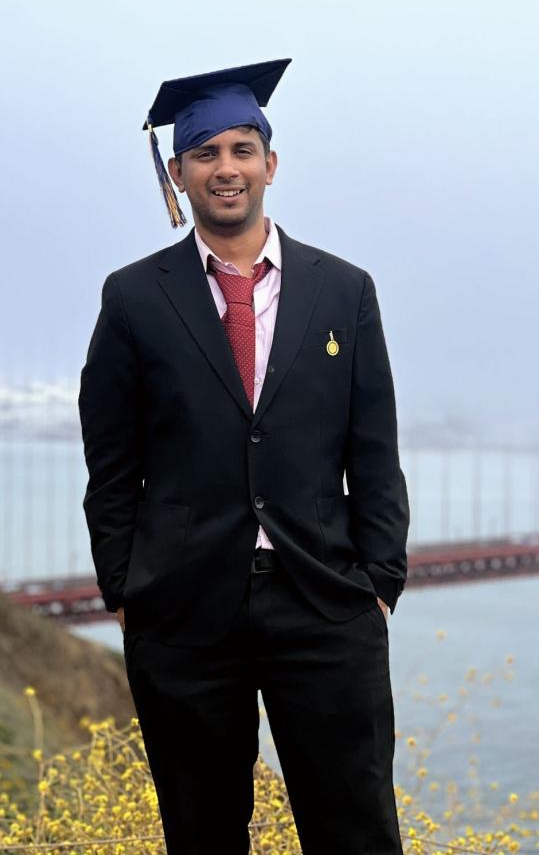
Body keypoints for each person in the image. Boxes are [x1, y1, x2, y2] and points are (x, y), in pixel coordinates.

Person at [78, 58, 410, 855]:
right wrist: (125, 585)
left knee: (358, 831)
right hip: (184, 611)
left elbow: (373, 448)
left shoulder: (345, 290)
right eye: (205, 155)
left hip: (325, 602)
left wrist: (381, 582)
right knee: (202, 833)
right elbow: (111, 461)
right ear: (180, 173)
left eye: (240, 150)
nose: (225, 169)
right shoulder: (132, 298)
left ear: (270, 163)